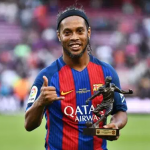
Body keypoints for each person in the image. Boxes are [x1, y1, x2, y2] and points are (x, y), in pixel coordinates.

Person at [25, 6, 128, 150]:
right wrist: (40, 102)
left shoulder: (107, 73)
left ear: (88, 33)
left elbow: (120, 111)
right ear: (59, 35)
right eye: (67, 32)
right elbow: (29, 125)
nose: (74, 37)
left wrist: (115, 125)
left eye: (80, 31)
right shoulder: (47, 77)